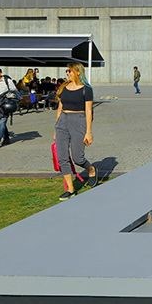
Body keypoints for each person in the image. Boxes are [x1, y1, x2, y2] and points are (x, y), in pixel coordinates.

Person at [54, 63, 96, 201]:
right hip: (62, 122)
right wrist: (56, 127)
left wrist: (89, 132)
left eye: (70, 71)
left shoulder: (86, 89)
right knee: (62, 157)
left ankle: (91, 169)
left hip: (79, 121)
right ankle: (70, 189)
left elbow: (89, 111)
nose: (67, 73)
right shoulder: (63, 87)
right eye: (67, 71)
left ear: (78, 72)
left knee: (78, 158)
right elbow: (60, 108)